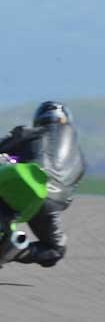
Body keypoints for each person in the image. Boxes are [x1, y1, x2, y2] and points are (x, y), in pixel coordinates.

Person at [0, 101, 86, 267]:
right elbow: (69, 197)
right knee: (55, 250)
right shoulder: (79, 159)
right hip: (51, 201)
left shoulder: (32, 132)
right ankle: (17, 248)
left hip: (23, 182)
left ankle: (10, 241)